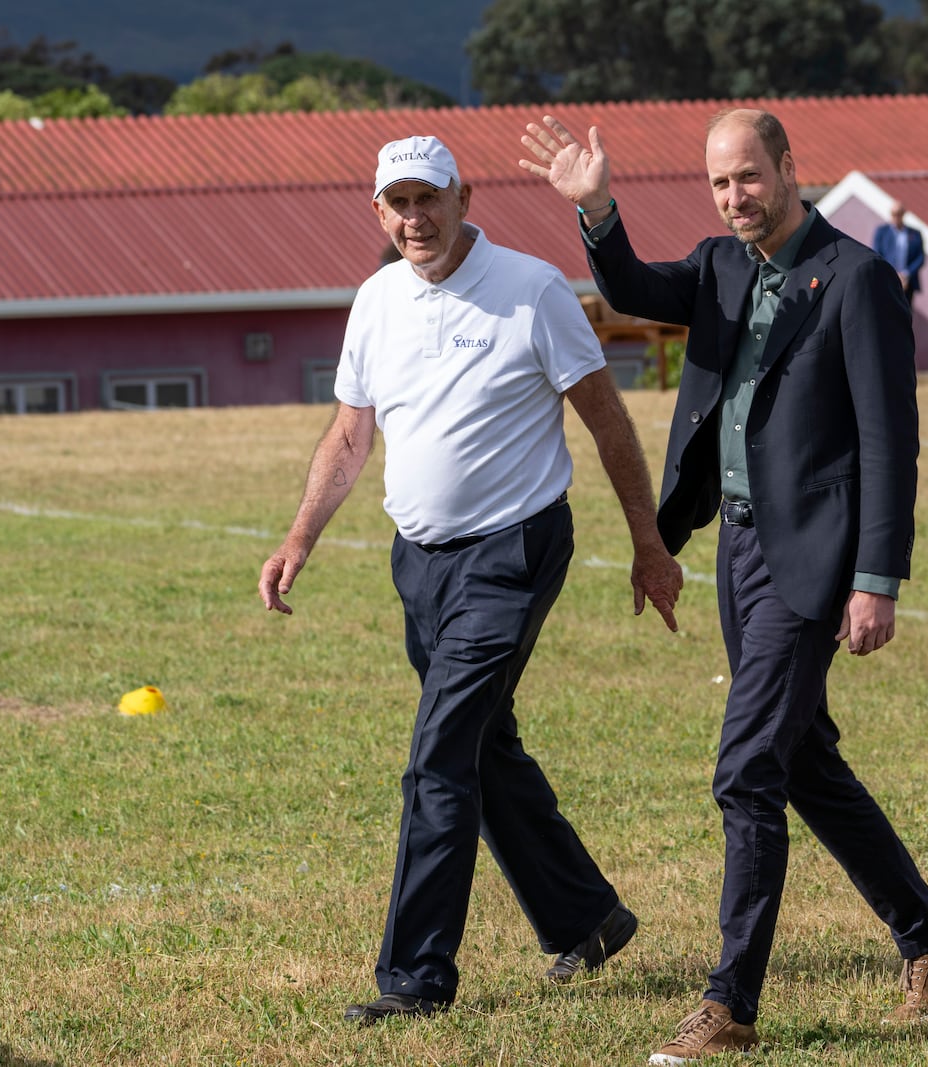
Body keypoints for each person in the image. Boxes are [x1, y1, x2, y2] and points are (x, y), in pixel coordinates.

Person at [520, 109, 928, 1064]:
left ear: (786, 167)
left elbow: (887, 445)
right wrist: (598, 208)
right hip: (735, 550)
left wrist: (875, 579)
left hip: (809, 557)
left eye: (749, 178)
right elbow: (634, 288)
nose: (735, 199)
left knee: (747, 771)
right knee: (801, 760)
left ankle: (729, 1005)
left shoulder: (857, 279)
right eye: (720, 184)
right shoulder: (720, 263)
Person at [258, 135, 683, 1025]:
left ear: (463, 197)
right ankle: (586, 916)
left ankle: (414, 980)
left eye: (429, 199)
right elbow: (348, 437)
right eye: (398, 203)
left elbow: (607, 423)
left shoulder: (531, 291)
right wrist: (301, 533)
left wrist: (650, 546)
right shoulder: (375, 300)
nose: (415, 218)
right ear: (378, 211)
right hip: (420, 563)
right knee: (481, 745)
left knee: (439, 757)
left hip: (514, 552)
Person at [870, 201, 925, 307]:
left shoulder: (915, 234)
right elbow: (877, 254)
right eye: (893, 213)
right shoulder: (882, 232)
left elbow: (920, 257)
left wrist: (905, 274)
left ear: (903, 214)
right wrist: (893, 273)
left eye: (899, 213)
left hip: (907, 282)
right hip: (887, 279)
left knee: (906, 311)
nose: (896, 217)